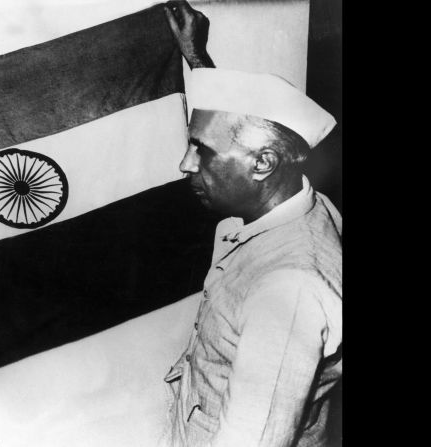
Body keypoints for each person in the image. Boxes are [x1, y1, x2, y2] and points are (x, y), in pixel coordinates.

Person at [158, 1, 342, 446]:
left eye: (201, 151)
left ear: (263, 163)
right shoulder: (295, 199)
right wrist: (196, 57)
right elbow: (240, 124)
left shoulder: (288, 292)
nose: (185, 164)